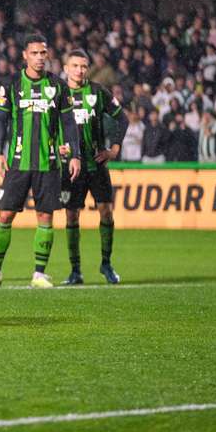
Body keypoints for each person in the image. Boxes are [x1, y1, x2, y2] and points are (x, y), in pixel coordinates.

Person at [0, 34, 80, 289]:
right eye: (34, 53)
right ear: (25, 55)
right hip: (17, 161)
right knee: (6, 214)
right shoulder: (11, 84)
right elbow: (1, 121)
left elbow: (69, 122)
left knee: (45, 216)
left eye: (43, 53)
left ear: (48, 55)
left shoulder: (58, 86)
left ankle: (39, 273)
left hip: (49, 162)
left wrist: (75, 154)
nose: (39, 58)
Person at [58, 49, 128, 286]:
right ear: (66, 68)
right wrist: (55, 146)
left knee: (106, 211)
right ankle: (75, 270)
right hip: (70, 168)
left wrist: (114, 149)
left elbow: (122, 118)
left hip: (96, 164)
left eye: (84, 66)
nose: (80, 70)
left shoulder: (97, 92)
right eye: (75, 66)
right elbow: (46, 126)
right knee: (71, 215)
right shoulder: (58, 93)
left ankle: (106, 263)